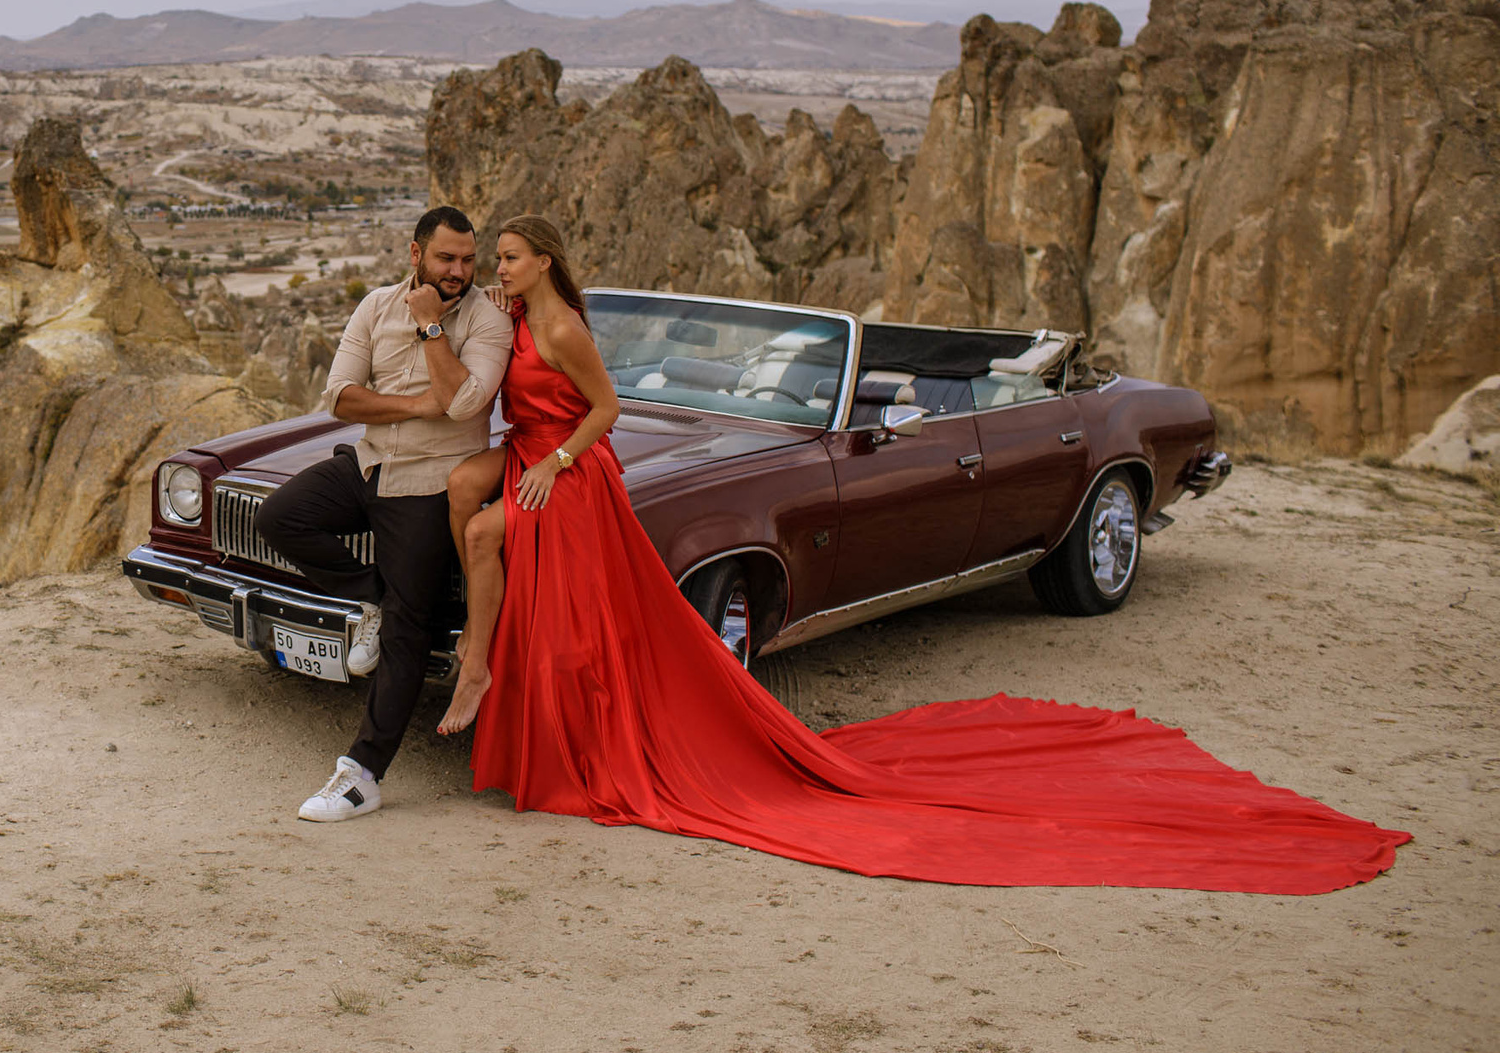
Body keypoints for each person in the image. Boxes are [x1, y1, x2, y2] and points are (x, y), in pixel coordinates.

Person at [442, 214, 1407, 893]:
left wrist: (561, 457)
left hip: (867, 440)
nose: (504, 266)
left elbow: (601, 403)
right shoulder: (538, 319)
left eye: (513, 256)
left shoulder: (889, 414)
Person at [255, 206, 514, 823]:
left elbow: (465, 404)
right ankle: (369, 596)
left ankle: (362, 776)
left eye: (467, 260)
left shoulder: (488, 317)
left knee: (408, 628)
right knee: (279, 517)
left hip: (431, 482)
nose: (457, 271)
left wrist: (430, 328)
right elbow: (340, 397)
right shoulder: (375, 305)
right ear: (416, 253)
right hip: (368, 463)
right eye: (445, 257)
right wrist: (420, 405)